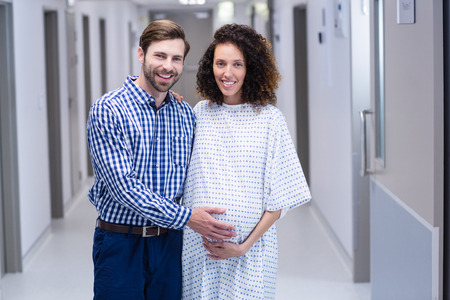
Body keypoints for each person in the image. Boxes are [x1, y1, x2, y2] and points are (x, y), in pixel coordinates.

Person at [86, 20, 235, 300]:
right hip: (120, 243)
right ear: (141, 55)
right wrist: (188, 217)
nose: (168, 66)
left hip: (170, 244)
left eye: (176, 58)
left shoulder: (184, 115)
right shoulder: (109, 110)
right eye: (160, 56)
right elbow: (123, 187)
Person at [181, 23, 312, 299]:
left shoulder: (270, 119)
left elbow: (279, 199)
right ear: (210, 67)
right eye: (220, 63)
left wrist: (243, 246)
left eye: (237, 64)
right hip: (198, 248)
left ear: (250, 68)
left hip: (250, 253)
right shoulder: (199, 113)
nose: (227, 73)